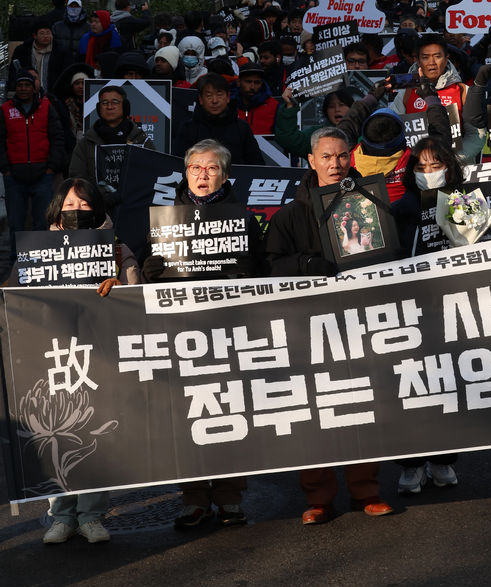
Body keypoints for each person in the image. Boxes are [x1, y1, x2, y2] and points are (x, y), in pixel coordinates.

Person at [265, 128, 394, 524]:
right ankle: (318, 498)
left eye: (341, 157)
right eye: (327, 157)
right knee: (314, 414)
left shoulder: (368, 202)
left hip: (359, 320)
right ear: (310, 161)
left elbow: (389, 255)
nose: (335, 164)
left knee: (361, 406)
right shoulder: (289, 214)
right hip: (307, 330)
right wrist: (306, 265)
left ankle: (366, 492)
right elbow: (270, 267)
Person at [141, 138, 265, 529]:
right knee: (188, 413)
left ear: (225, 175)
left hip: (230, 328)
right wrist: (159, 269)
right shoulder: (166, 217)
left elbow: (261, 269)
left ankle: (229, 497)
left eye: (211, 168)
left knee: (231, 410)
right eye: (196, 167)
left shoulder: (242, 218)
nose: (203, 175)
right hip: (182, 330)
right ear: (185, 173)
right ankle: (192, 498)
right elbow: (148, 269)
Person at [41, 177, 140, 545]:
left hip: (100, 355)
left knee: (95, 435)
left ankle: (92, 515)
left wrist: (119, 284)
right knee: (55, 436)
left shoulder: (115, 248)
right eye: (70, 206)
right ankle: (60, 516)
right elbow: (15, 294)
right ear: (57, 210)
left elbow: (137, 295)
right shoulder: (39, 250)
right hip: (51, 355)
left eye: (84, 206)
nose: (77, 212)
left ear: (97, 209)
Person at [391, 136, 465, 494]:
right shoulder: (401, 207)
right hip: (409, 307)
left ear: (449, 167)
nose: (429, 172)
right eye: (421, 167)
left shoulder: (464, 200)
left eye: (436, 165)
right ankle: (410, 465)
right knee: (410, 389)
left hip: (451, 307)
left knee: (447, 387)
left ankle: (442, 461)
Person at [389, 33, 485, 162]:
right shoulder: (406, 93)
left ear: (446, 59)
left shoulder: (463, 91)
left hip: (457, 170)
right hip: (417, 171)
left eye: (437, 56)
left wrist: (452, 161)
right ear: (417, 60)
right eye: (425, 57)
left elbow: (477, 135)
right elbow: (393, 133)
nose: (432, 63)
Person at [0, 70, 65, 260]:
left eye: (27, 85)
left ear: (33, 87)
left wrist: (52, 167)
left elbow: (57, 137)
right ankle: (16, 263)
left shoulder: (46, 107)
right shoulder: (5, 109)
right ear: (15, 87)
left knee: (42, 222)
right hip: (14, 177)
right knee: (16, 224)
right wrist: (5, 169)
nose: (23, 88)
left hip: (43, 175)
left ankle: (41, 261)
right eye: (19, 85)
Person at [69, 85, 155, 209]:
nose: (109, 106)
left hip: (134, 206)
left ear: (125, 107)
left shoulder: (141, 140)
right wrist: (102, 196)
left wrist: (129, 195)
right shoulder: (86, 143)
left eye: (115, 102)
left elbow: (151, 174)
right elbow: (77, 177)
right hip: (97, 208)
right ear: (99, 108)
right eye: (104, 103)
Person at [171, 73, 264, 166]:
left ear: (228, 98)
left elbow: (257, 165)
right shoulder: (188, 128)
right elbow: (177, 164)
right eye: (209, 95)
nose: (214, 100)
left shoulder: (242, 128)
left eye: (219, 94)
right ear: (201, 99)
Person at [9, 17, 62, 94]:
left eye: (48, 33)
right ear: (34, 36)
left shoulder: (60, 51)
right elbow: (13, 72)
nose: (46, 36)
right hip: (27, 96)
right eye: (42, 33)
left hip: (52, 95)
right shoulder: (22, 51)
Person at [236, 64, 279, 135]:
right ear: (238, 82)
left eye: (257, 82)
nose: (252, 87)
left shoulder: (273, 106)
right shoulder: (228, 105)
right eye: (248, 81)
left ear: (262, 83)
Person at [51, 0, 90, 71]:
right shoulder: (57, 26)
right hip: (61, 66)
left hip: (81, 65)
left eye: (76, 6)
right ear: (67, 8)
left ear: (81, 8)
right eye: (71, 6)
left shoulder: (88, 28)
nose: (73, 8)